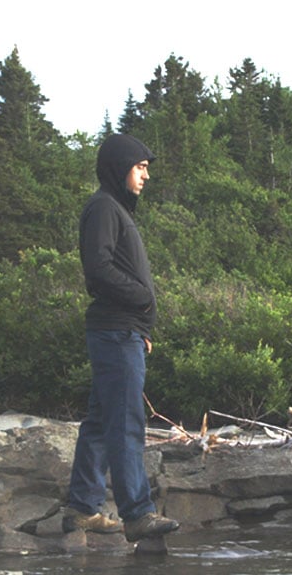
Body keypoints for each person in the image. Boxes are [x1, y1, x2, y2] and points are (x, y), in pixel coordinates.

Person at [62, 133, 179, 542]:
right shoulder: (104, 208)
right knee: (127, 423)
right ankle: (137, 513)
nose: (146, 175)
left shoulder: (114, 209)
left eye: (147, 168)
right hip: (115, 332)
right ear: (119, 167)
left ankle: (81, 506)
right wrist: (142, 300)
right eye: (140, 167)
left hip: (123, 332)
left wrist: (141, 327)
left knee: (99, 421)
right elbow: (98, 269)